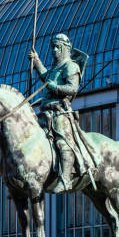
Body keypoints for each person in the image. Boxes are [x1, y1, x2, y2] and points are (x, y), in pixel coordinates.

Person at [29, 33, 93, 193]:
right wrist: (36, 61)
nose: (54, 51)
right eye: (53, 47)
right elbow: (46, 77)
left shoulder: (70, 66)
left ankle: (65, 179)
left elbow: (72, 89)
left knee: (62, 141)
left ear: (66, 49)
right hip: (45, 113)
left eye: (58, 47)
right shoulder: (55, 69)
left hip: (60, 113)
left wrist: (55, 88)